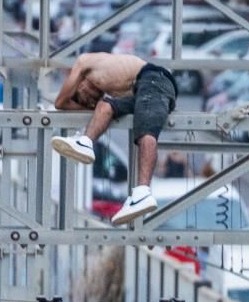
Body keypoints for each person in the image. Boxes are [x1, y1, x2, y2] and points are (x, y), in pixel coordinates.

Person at [49, 51, 178, 225]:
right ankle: (86, 142)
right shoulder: (110, 88)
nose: (90, 100)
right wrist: (94, 111)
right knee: (106, 106)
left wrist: (79, 105)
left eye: (82, 97)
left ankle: (142, 193)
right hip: (141, 90)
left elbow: (60, 103)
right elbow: (99, 109)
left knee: (146, 130)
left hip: (154, 79)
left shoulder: (85, 63)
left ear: (80, 84)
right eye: (88, 102)